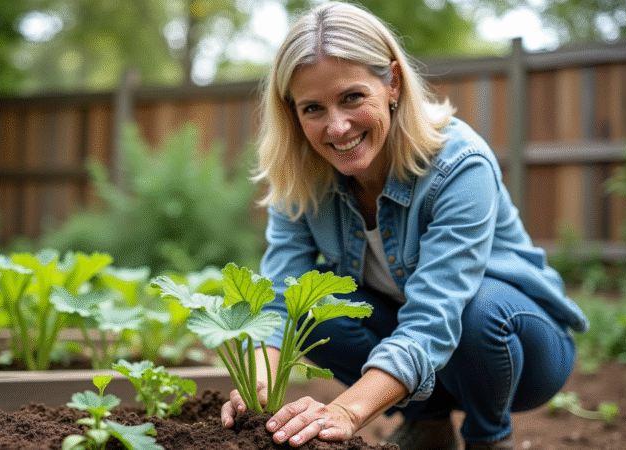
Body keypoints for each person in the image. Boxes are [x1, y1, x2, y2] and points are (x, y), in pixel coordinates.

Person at [219, 2, 589, 450]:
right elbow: (282, 299)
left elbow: (435, 318)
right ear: (292, 112)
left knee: (480, 311)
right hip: (425, 360)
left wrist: (346, 410)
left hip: (518, 354)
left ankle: (489, 437)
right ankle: (427, 423)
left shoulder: (458, 165)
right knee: (313, 309)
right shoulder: (300, 175)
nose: (337, 127)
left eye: (352, 97)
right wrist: (259, 380)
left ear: (392, 82)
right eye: (313, 108)